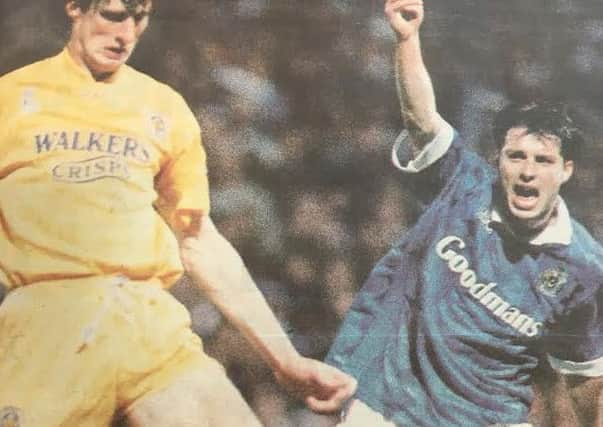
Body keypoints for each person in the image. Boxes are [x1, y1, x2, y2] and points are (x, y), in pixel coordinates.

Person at [0, 1, 357, 426]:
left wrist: (285, 358)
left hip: (147, 323)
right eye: (113, 15)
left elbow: (200, 239)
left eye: (140, 17)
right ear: (75, 7)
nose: (126, 34)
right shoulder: (11, 98)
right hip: (49, 327)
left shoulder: (162, 106)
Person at [326, 1, 603, 426]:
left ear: (566, 170)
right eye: (516, 156)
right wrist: (407, 39)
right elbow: (421, 119)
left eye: (543, 161)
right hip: (387, 399)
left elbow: (583, 374)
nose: (527, 171)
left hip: (488, 416)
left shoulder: (584, 267)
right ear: (499, 160)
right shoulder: (464, 183)